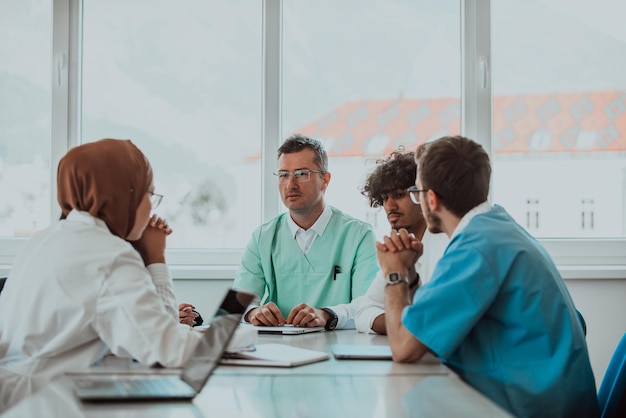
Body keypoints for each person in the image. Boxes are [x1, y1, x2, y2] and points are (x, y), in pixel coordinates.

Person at [377, 135, 599, 417]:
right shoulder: (498, 227)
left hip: (527, 408)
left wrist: (394, 272)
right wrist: (408, 273)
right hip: (550, 397)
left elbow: (404, 348)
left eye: (416, 193)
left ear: (430, 199)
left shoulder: (476, 249)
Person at [0, 139, 204, 410]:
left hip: (20, 396)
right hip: (47, 402)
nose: (152, 208)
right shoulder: (109, 254)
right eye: (150, 195)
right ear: (125, 194)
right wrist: (156, 259)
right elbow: (164, 350)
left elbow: (142, 335)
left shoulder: (44, 240)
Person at [234, 134, 378, 330]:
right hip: (278, 351)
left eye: (302, 174)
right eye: (283, 174)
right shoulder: (262, 237)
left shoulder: (359, 235)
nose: (290, 184)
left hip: (338, 348)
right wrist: (252, 313)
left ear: (325, 180)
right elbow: (235, 305)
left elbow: (368, 307)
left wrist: (326, 314)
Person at [354, 150, 448, 334]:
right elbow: (364, 313)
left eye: (398, 195)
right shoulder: (397, 248)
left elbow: (436, 319)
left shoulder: (446, 244)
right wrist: (400, 325)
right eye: (384, 198)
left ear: (422, 195)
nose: (390, 206)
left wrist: (398, 322)